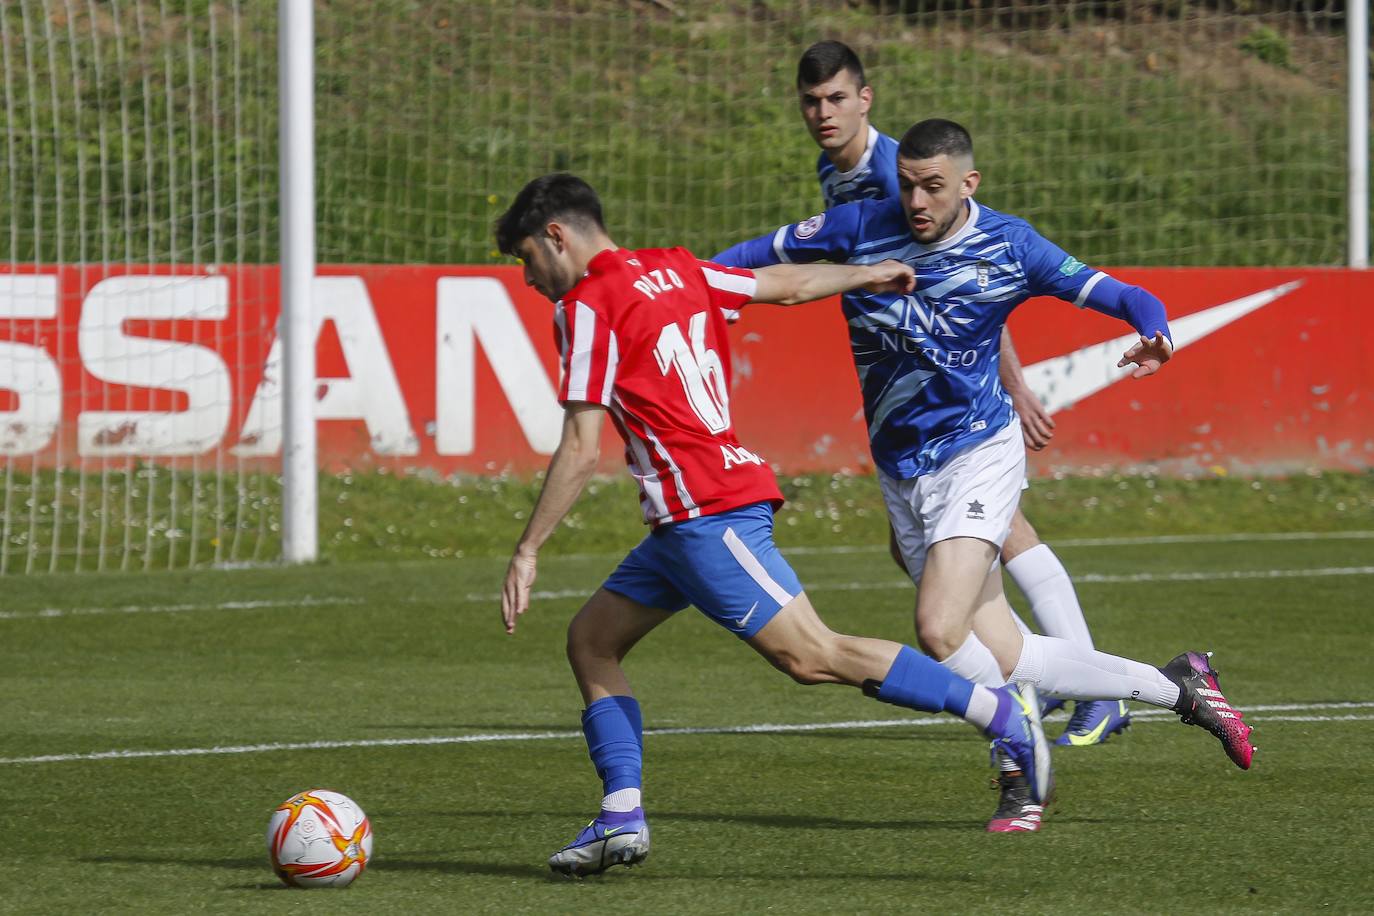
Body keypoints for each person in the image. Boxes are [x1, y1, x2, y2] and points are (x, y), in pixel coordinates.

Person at [494, 172, 1053, 877]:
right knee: (592, 641)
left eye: (525, 258)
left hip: (706, 512)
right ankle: (620, 814)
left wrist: (527, 550)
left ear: (557, 236)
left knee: (812, 655)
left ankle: (1002, 716)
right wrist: (866, 272)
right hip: (683, 523)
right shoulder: (677, 268)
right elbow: (783, 286)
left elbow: (581, 446)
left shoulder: (586, 306)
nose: (528, 278)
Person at [712, 118, 1255, 831]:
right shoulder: (855, 226)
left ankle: (1018, 759)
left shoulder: (1010, 245)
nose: (916, 200)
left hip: (979, 453)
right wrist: (673, 299)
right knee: (1005, 651)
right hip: (901, 470)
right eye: (907, 183)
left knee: (938, 628)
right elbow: (738, 264)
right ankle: (1179, 687)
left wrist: (1157, 331)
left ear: (969, 183)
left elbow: (1113, 293)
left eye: (933, 186)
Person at [764, 39, 1130, 751]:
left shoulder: (894, 171)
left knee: (997, 537)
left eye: (836, 98)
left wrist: (1013, 385)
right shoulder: (834, 173)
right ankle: (1058, 678)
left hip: (959, 401)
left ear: (864, 99)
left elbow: (974, 279)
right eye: (810, 102)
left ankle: (1085, 690)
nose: (822, 114)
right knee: (926, 554)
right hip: (920, 392)